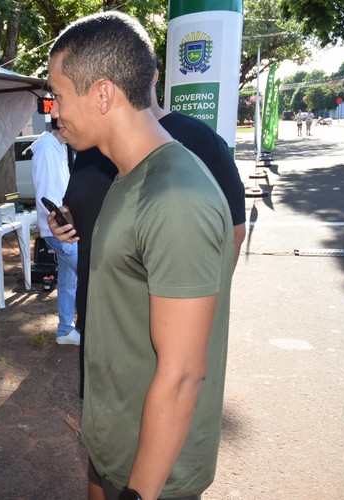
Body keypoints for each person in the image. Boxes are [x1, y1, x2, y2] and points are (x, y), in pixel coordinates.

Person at [48, 12, 234, 500]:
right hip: (117, 442)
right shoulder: (129, 177)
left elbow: (181, 375)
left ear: (103, 94)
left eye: (60, 95)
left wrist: (139, 493)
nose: (55, 111)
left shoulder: (174, 196)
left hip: (153, 475)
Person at [53, 79, 247, 397]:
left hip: (153, 330)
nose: (59, 109)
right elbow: (83, 206)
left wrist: (199, 308)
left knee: (159, 418)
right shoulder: (89, 147)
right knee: (104, 424)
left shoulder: (197, 138)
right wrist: (66, 219)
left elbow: (233, 232)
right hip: (98, 317)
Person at [30, 119, 79, 346]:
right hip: (60, 229)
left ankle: (65, 330)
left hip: (61, 228)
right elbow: (49, 196)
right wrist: (64, 224)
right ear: (64, 127)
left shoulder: (54, 147)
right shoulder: (48, 148)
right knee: (89, 277)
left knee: (69, 281)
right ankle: (74, 328)